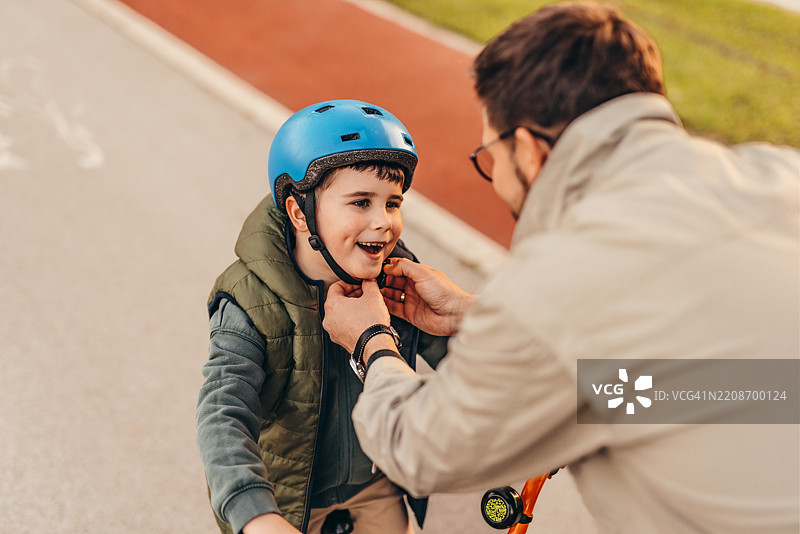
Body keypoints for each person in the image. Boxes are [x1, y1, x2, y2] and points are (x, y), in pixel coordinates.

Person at [321, 3, 800, 534]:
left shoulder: (563, 277)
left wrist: (372, 341)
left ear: (529, 151)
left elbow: (416, 447)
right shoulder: (782, 174)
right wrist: (479, 315)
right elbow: (742, 386)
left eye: (492, 156)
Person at [196, 99, 447, 534]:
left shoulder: (396, 279)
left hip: (377, 487)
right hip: (291, 502)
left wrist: (467, 325)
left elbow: (472, 365)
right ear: (300, 213)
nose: (383, 222)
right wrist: (254, 512)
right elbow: (223, 412)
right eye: (361, 201)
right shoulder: (252, 298)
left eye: (393, 203)